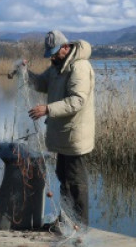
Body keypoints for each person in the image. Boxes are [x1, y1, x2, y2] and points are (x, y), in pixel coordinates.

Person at [26, 29, 95, 228]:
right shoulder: (57, 66)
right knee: (63, 178)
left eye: (56, 53)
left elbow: (77, 101)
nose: (53, 57)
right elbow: (40, 83)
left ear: (66, 47)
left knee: (75, 183)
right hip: (63, 135)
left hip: (75, 136)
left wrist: (47, 109)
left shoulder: (79, 67)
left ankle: (80, 227)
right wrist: (25, 72)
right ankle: (67, 221)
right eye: (51, 54)